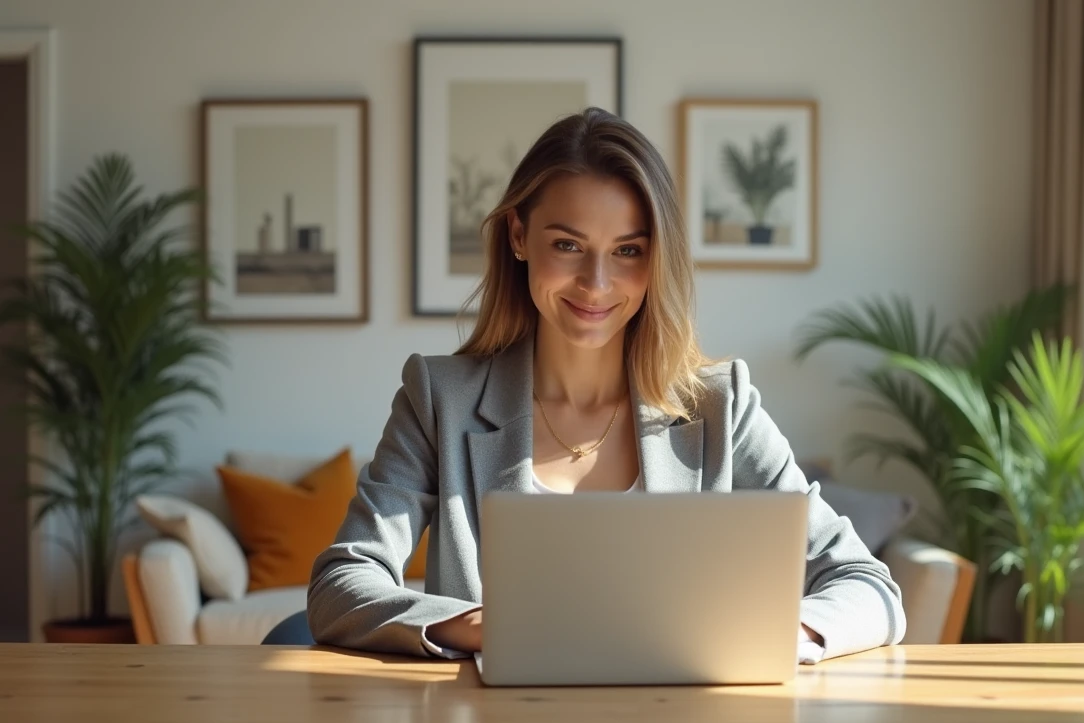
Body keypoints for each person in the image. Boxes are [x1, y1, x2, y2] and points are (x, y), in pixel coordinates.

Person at [307, 107, 906, 663]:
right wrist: (485, 626)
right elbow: (341, 584)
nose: (596, 283)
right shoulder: (440, 400)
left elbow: (868, 584)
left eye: (627, 251)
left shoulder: (721, 407)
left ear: (657, 259)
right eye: (568, 245)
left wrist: (776, 633)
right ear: (518, 236)